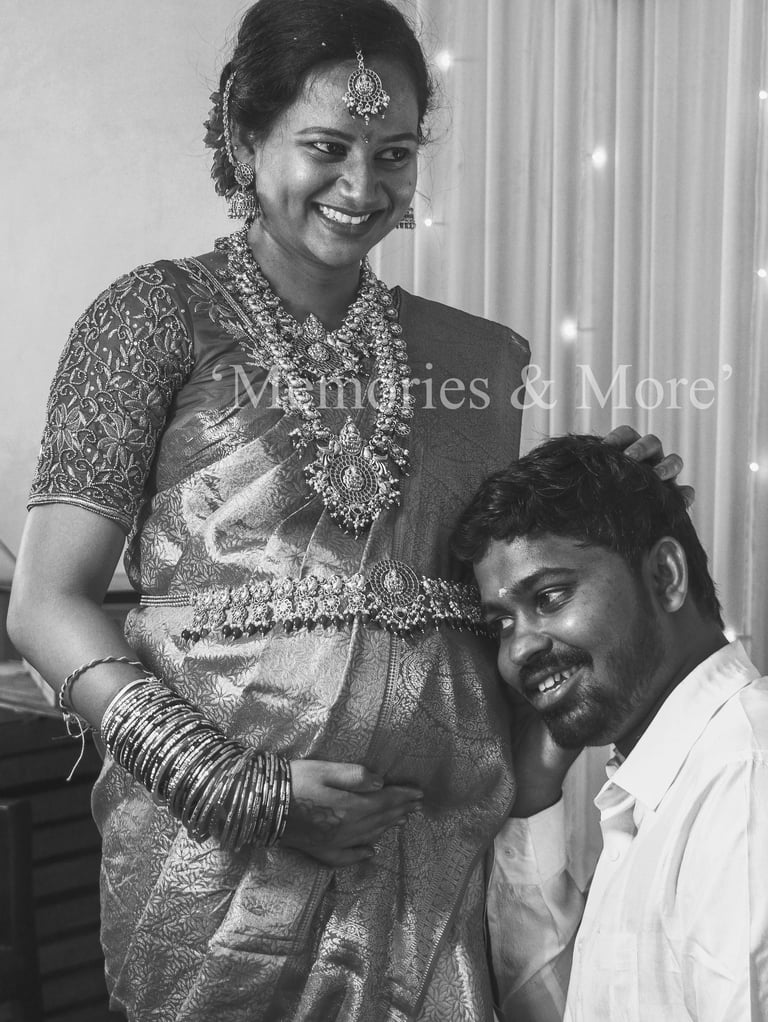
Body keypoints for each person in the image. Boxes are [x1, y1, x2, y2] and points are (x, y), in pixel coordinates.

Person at [8, 3, 678, 1019]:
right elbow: (45, 604)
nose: (363, 188)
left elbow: (484, 605)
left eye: (394, 153)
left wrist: (608, 512)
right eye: (326, 146)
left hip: (422, 850)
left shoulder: (474, 359)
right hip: (213, 860)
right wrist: (240, 791)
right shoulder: (150, 318)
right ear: (244, 136)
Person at [452, 433, 768, 1022]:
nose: (518, 650)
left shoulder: (744, 783)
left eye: (549, 596)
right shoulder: (660, 782)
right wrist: (532, 796)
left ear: (667, 576)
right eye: (501, 624)